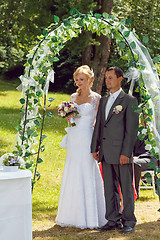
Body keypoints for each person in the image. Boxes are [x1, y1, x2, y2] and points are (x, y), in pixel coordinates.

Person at [55, 65, 107, 229]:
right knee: (73, 170)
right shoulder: (72, 97)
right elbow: (70, 119)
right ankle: (71, 214)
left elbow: (99, 123)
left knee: (87, 170)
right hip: (74, 138)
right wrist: (68, 116)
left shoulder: (96, 98)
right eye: (77, 79)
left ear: (90, 80)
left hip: (87, 138)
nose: (79, 82)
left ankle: (90, 216)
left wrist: (98, 144)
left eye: (82, 80)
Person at [91, 66, 139, 234]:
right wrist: (95, 147)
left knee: (125, 188)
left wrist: (126, 153)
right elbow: (99, 126)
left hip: (121, 154)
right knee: (109, 188)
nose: (107, 81)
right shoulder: (103, 100)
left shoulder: (130, 101)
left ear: (120, 79)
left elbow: (131, 130)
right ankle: (112, 219)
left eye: (110, 78)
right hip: (105, 152)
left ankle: (129, 221)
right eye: (106, 78)